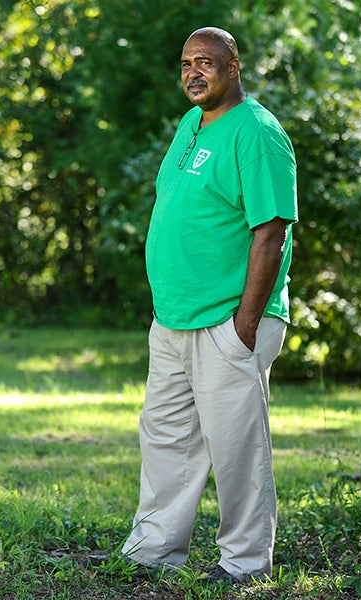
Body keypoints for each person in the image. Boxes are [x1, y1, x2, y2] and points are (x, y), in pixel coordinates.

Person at [120, 26, 298, 583]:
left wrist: (244, 324)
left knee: (235, 449)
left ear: (233, 67)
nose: (194, 72)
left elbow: (271, 232)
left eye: (206, 62)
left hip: (228, 319)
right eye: (185, 64)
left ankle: (246, 565)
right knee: (166, 436)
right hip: (173, 319)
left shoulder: (257, 131)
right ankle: (153, 549)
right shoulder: (191, 124)